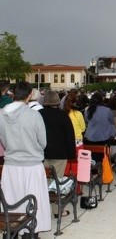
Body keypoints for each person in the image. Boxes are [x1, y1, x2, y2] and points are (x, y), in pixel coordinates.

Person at [0, 81, 51, 238]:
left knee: (13, 199)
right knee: (33, 201)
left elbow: (3, 140)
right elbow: (43, 142)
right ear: (29, 95)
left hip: (11, 164)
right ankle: (31, 232)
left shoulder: (2, 115)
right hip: (32, 165)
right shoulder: (34, 115)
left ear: (13, 94)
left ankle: (14, 229)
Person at [40, 90, 76, 218]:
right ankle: (56, 211)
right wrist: (72, 154)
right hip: (60, 153)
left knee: (44, 181)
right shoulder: (62, 115)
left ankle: (42, 210)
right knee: (56, 182)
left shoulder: (39, 114)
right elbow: (69, 136)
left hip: (42, 153)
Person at [84, 92, 116, 161]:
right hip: (104, 137)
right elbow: (112, 122)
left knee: (94, 155)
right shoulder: (107, 110)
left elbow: (86, 121)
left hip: (91, 137)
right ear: (101, 100)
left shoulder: (87, 111)